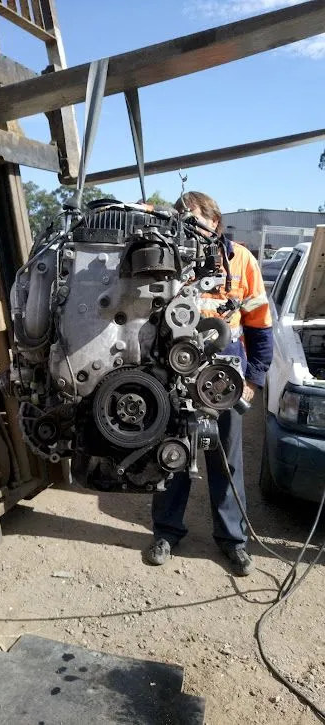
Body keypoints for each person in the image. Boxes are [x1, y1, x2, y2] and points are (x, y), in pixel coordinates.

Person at [144, 191, 273, 576]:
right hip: (176, 374)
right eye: (180, 219)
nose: (187, 226)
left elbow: (260, 323)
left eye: (194, 219)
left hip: (225, 378)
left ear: (215, 221)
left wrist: (254, 378)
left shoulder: (242, 260)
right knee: (172, 453)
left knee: (226, 461)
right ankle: (166, 532)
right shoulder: (169, 258)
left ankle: (233, 541)